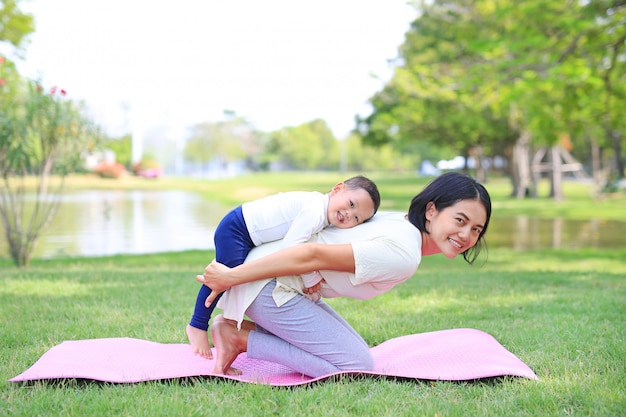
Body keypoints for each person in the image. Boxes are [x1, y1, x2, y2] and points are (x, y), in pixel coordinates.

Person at [196, 172, 492, 378]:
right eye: (460, 220)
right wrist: (233, 277)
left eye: (476, 229)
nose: (466, 235)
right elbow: (310, 255)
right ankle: (238, 338)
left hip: (280, 283)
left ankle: (242, 330)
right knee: (355, 364)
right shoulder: (404, 253)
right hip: (270, 285)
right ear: (432, 210)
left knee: (357, 350)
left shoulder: (399, 221)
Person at [186, 175, 381, 359]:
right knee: (223, 279)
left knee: (232, 279)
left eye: (356, 218)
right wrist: (310, 278)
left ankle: (225, 326)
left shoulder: (321, 211)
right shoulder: (314, 211)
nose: (349, 214)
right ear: (338, 189)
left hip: (245, 230)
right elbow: (293, 248)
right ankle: (197, 325)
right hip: (237, 229)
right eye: (351, 204)